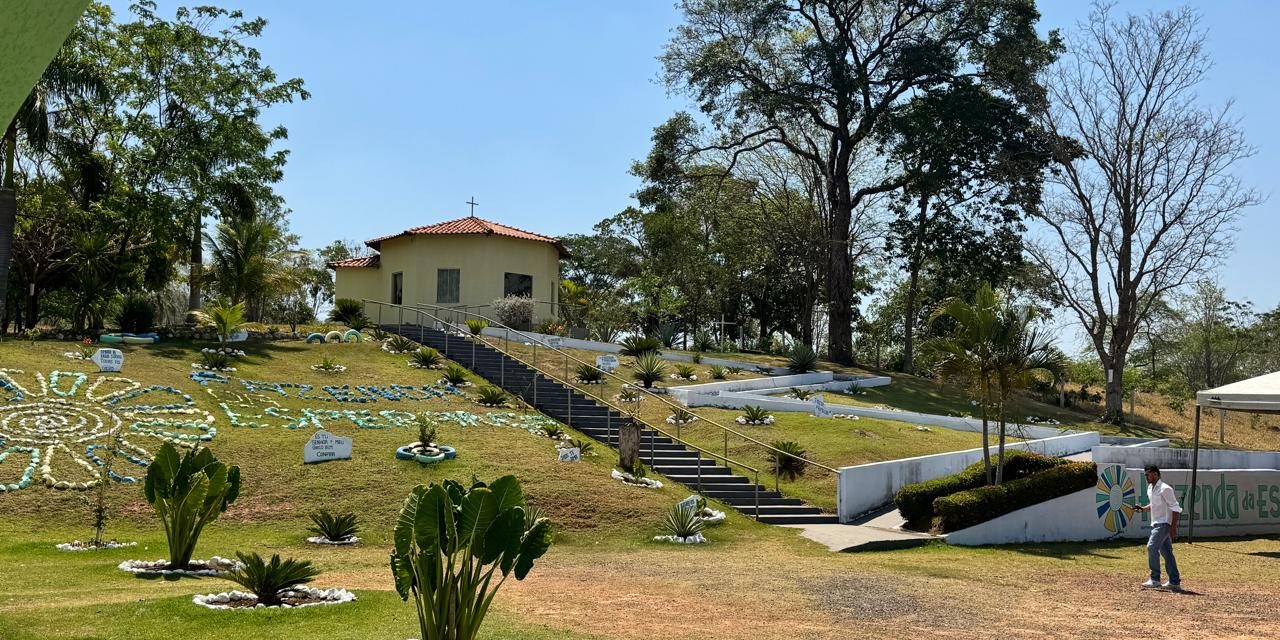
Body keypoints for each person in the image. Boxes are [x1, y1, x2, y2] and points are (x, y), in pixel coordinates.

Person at [1132, 464, 1182, 590]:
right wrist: (1143, 509)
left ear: (1155, 474)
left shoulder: (1165, 489)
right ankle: (1174, 581)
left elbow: (1175, 508)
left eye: (1148, 474)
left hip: (1164, 523)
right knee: (1167, 553)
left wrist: (1173, 527)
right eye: (1145, 475)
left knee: (1151, 547)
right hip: (1157, 523)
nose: (1146, 477)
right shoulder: (1150, 488)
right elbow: (1154, 505)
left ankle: (1155, 579)